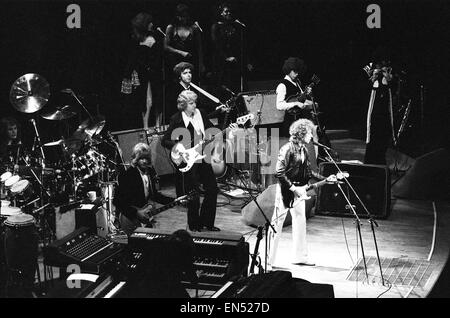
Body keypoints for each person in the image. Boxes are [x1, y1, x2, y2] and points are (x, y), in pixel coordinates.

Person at [268, 119, 335, 268]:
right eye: (310, 133)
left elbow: (308, 172)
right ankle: (268, 259)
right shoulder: (287, 149)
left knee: (300, 222)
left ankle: (300, 257)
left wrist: (326, 179)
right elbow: (279, 172)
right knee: (276, 224)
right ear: (301, 133)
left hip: (300, 190)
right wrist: (293, 188)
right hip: (287, 190)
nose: (312, 136)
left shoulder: (303, 149)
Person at [162, 90, 228, 232]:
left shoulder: (201, 114)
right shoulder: (176, 119)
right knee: (193, 194)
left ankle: (207, 223)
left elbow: (213, 129)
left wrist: (227, 128)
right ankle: (194, 225)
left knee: (212, 189)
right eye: (191, 103)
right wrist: (179, 147)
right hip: (188, 159)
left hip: (203, 157)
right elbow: (165, 140)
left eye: (195, 103)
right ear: (184, 105)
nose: (194, 106)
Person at [113, 142, 173, 235]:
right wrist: (136, 212)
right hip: (130, 219)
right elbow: (117, 201)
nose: (144, 161)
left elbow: (155, 196)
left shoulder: (149, 173)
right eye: (141, 158)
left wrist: (175, 200)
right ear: (136, 159)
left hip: (145, 218)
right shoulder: (127, 175)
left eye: (146, 158)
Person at [121, 12, 162, 129]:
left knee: (155, 99)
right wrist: (129, 73)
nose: (152, 24)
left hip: (152, 73)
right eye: (150, 23)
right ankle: (145, 125)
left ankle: (157, 124)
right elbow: (132, 59)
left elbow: (156, 58)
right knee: (146, 100)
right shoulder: (137, 39)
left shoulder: (153, 38)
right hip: (142, 74)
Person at [210, 2, 252, 97]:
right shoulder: (216, 26)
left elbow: (240, 46)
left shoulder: (234, 26)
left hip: (234, 61)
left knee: (235, 84)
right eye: (226, 11)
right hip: (221, 61)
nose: (229, 13)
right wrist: (226, 57)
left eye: (229, 11)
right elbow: (215, 45)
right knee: (223, 84)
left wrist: (246, 61)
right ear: (221, 13)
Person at [364, 48, 396, 165]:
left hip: (384, 110)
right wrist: (373, 76)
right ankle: (371, 161)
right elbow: (366, 85)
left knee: (383, 133)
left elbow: (392, 83)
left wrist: (387, 75)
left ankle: (380, 160)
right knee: (373, 134)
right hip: (374, 111)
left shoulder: (389, 70)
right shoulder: (371, 70)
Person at [164, 4, 204, 83]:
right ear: (177, 16)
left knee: (191, 85)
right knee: (176, 86)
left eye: (185, 16)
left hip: (191, 61)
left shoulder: (194, 28)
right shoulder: (171, 28)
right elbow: (166, 46)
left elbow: (199, 48)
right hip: (175, 61)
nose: (184, 19)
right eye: (182, 16)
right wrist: (181, 52)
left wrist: (201, 64)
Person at [275, 57, 315, 138]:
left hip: (301, 119)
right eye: (294, 71)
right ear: (288, 70)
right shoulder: (282, 85)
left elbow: (301, 99)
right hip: (290, 122)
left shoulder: (297, 82)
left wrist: (309, 98)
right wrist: (295, 103)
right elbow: (279, 105)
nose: (297, 74)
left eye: (298, 72)